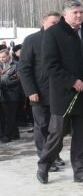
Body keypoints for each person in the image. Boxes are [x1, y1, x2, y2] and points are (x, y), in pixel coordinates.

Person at [37, 0, 83, 185]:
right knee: (57, 134)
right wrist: (71, 80)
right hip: (64, 94)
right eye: (75, 12)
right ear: (65, 14)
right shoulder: (53, 33)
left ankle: (81, 171)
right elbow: (50, 65)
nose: (79, 15)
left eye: (81, 12)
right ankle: (44, 166)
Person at [19, 11, 65, 169]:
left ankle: (54, 154)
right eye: (53, 22)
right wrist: (30, 91)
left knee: (58, 127)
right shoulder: (32, 40)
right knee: (42, 125)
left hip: (58, 92)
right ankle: (44, 158)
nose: (56, 25)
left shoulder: (61, 39)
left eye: (58, 23)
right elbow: (24, 68)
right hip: (38, 92)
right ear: (43, 22)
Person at [0, 49, 21, 143]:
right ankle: (15, 134)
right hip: (3, 94)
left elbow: (19, 79)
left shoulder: (16, 65)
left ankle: (8, 135)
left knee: (10, 115)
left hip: (12, 94)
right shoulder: (0, 65)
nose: (1, 59)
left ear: (8, 56)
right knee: (5, 115)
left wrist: (5, 82)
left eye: (3, 57)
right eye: (0, 57)